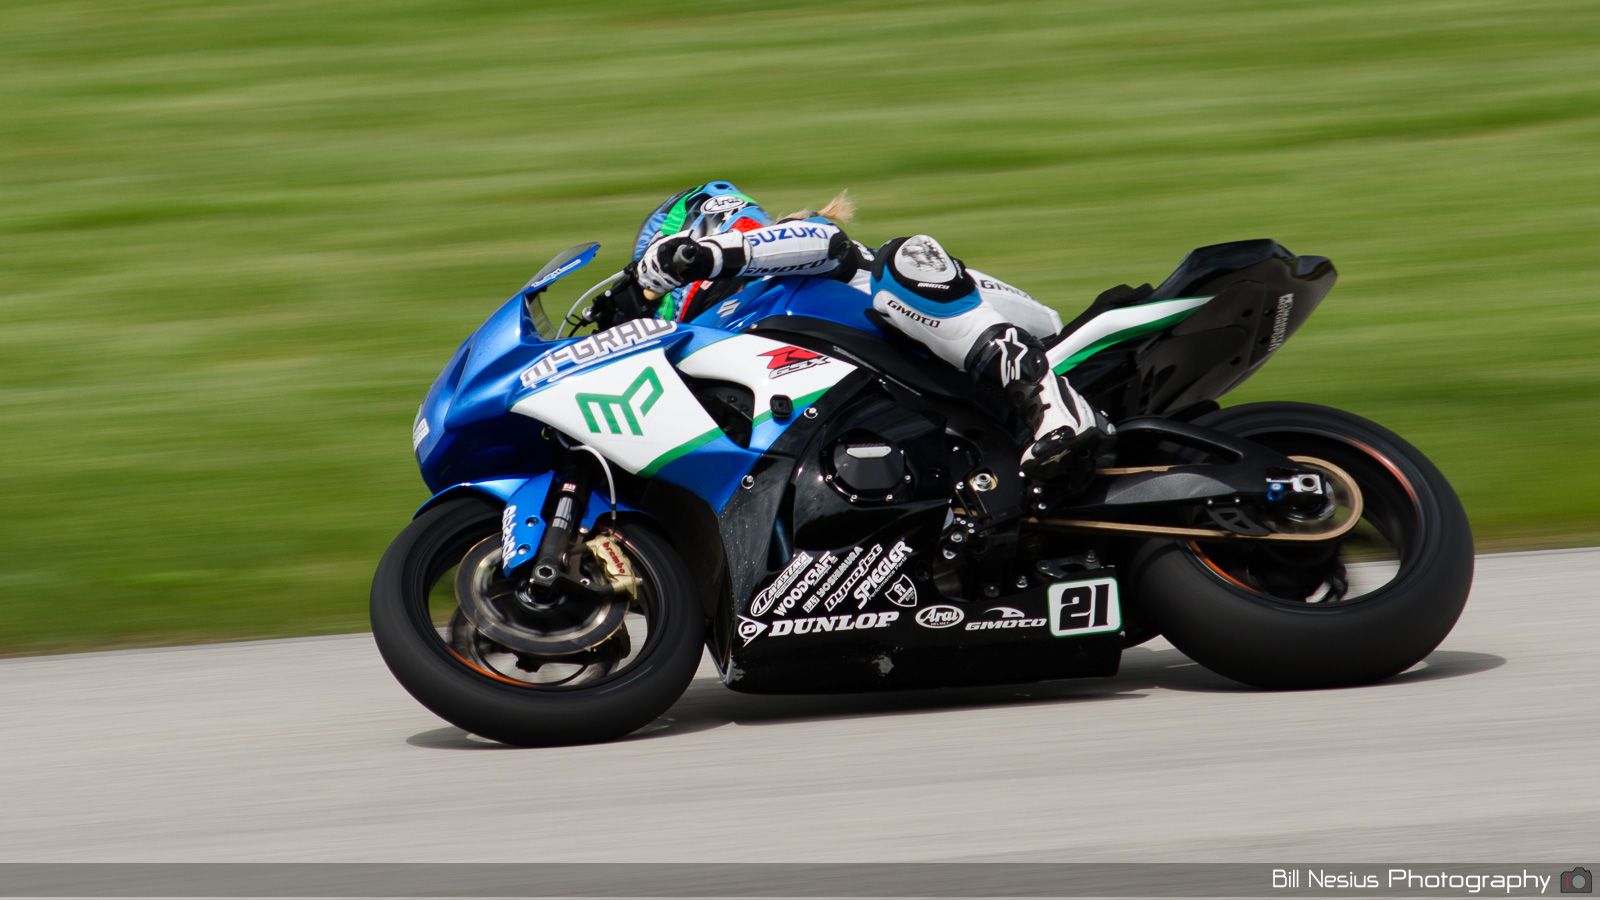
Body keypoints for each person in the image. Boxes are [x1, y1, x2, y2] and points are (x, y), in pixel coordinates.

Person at [598, 181, 1110, 481]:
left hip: (1030, 338)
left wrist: (701, 257)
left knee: (901, 257)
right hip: (932, 411)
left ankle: (1053, 403)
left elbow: (824, 237)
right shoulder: (724, 328)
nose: (654, 291)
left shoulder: (778, 260)